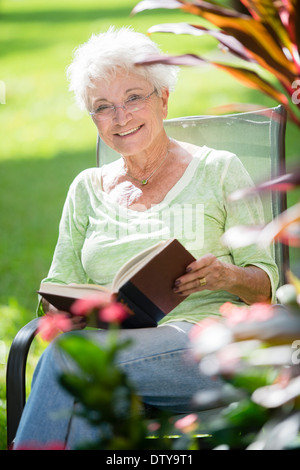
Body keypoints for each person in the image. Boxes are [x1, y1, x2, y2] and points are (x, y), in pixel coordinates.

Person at [14, 27, 279, 449]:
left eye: (134, 97)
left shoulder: (219, 170)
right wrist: (67, 314)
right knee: (87, 382)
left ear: (164, 99)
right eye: (103, 107)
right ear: (93, 118)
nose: (121, 117)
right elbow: (56, 291)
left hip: (209, 346)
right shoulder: (85, 188)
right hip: (117, 353)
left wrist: (225, 276)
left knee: (75, 362)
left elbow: (266, 287)